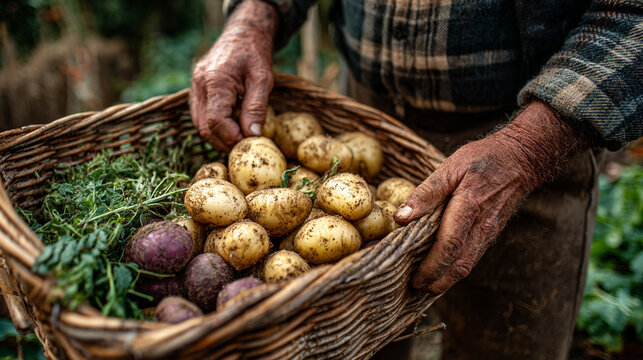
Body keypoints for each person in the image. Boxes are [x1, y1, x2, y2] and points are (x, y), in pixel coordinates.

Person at [190, 1, 642, 358]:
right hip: (369, 120)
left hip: (532, 132)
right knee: (358, 345)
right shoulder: (335, 163)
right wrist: (253, 15)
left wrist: (527, 150)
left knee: (507, 335)